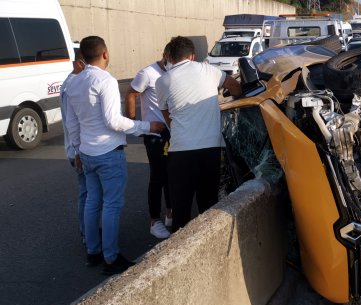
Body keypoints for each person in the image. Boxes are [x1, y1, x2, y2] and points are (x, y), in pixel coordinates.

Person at [65, 35, 165, 275]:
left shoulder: (73, 82)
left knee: (92, 201)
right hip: (108, 152)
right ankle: (111, 258)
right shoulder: (105, 80)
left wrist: (77, 149)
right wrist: (147, 127)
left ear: (83, 56)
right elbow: (113, 121)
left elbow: (71, 122)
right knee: (111, 205)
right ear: (105, 53)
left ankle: (93, 252)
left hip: (87, 152)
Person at [156, 36, 241, 232]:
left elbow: (166, 113)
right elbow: (234, 86)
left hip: (181, 151)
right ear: (192, 55)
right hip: (211, 149)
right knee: (208, 204)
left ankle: (179, 249)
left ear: (170, 56)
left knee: (181, 208)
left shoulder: (162, 81)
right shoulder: (209, 70)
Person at [125, 45, 172, 239]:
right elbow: (130, 94)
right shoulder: (148, 73)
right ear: (165, 56)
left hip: (172, 133)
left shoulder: (175, 73)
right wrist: (137, 125)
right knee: (158, 177)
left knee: (172, 174)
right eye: (172, 59)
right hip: (155, 135)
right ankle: (154, 220)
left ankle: (170, 212)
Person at [60, 46, 87, 247]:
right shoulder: (72, 85)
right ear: (79, 63)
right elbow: (72, 123)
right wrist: (78, 151)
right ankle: (87, 233)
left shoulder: (71, 83)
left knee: (88, 192)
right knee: (87, 193)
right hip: (78, 150)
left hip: (77, 148)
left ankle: (88, 230)